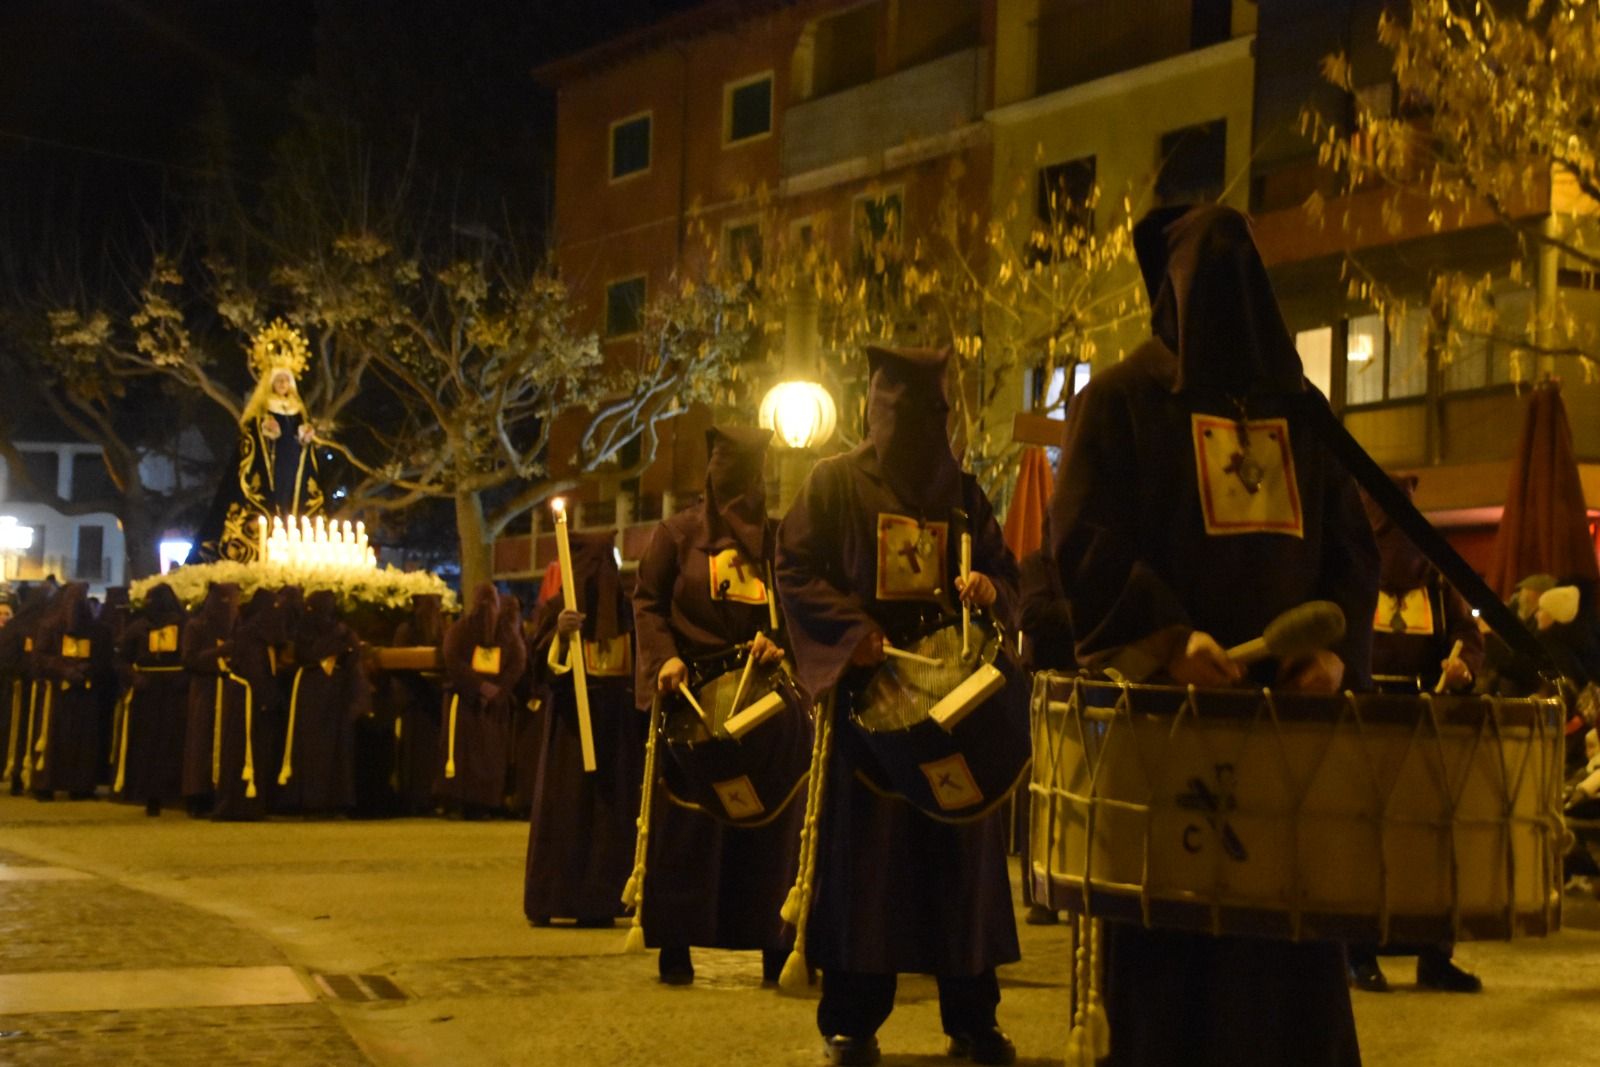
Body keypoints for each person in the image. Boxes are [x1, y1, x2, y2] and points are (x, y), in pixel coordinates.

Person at [1050, 204, 1378, 1066]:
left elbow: (1353, 548)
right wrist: (1167, 636)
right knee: (1172, 983)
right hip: (1167, 743)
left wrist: (1336, 654)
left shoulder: (1302, 414)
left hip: (1286, 752)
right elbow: (1082, 541)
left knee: (1291, 973)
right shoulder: (1118, 401)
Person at [776, 345, 1020, 1067]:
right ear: (877, 411)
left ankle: (973, 1016)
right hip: (870, 711)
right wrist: (850, 634)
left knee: (964, 863)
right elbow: (793, 565)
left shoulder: (963, 494)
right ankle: (852, 1019)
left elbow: (1008, 571)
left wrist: (989, 590)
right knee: (869, 869)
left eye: (933, 414)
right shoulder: (834, 483)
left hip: (954, 707)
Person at [631, 425, 800, 986]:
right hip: (690, 695)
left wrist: (777, 643)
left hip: (761, 700)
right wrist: (665, 660)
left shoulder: (776, 543)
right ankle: (675, 942)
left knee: (768, 826)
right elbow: (649, 604)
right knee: (689, 825)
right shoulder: (676, 535)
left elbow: (796, 613)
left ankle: (775, 942)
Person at [1347, 473, 1485, 994]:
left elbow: (1468, 636)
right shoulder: (1353, 571)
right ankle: (1357, 951)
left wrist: (1463, 665)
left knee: (1431, 841)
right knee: (1365, 840)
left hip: (1426, 719)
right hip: (1364, 717)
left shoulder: (1436, 578)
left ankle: (1434, 952)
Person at [523, 532, 641, 927]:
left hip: (616, 735)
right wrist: (559, 635)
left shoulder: (628, 612)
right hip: (571, 735)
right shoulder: (560, 610)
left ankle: (601, 899)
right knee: (568, 811)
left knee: (609, 818)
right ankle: (557, 895)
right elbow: (539, 665)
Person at [189, 324, 326, 564]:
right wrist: (266, 432)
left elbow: (306, 440)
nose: (283, 384)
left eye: (286, 380)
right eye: (279, 380)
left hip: (293, 462)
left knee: (293, 500)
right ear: (272, 383)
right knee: (270, 499)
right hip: (269, 465)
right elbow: (250, 438)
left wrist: (306, 436)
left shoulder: (297, 410)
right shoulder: (262, 410)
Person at [434, 584, 524, 819]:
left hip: (488, 705)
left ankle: (482, 802)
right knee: (465, 755)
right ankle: (465, 802)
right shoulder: (464, 630)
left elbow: (517, 663)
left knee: (488, 756)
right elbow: (453, 659)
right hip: (467, 702)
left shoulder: (502, 633)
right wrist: (483, 687)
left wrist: (497, 691)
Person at [276, 590, 367, 815]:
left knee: (336, 746)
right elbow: (307, 653)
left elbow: (352, 655)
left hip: (336, 692)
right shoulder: (308, 629)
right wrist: (336, 643)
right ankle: (309, 800)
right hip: (311, 692)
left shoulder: (343, 631)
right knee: (311, 747)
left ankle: (334, 799)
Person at [212, 588, 291, 821]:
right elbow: (255, 671)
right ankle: (239, 805)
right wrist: (266, 698)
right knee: (243, 751)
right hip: (248, 702)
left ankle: (254, 803)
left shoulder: (259, 634)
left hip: (256, 701)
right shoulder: (252, 635)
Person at [30, 582, 113, 800]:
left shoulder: (96, 630)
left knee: (82, 741)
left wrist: (88, 668)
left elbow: (104, 658)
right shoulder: (49, 627)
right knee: (54, 738)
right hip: (57, 693)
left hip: (85, 693)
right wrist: (64, 669)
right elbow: (41, 656)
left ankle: (80, 785)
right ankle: (47, 784)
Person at [116, 583, 190, 816]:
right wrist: (134, 677)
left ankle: (166, 793)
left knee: (170, 743)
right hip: (149, 691)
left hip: (172, 692)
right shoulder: (139, 628)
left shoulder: (183, 626)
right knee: (150, 743)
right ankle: (150, 793)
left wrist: (183, 677)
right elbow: (122, 660)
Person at [181, 582, 240, 816]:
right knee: (201, 742)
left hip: (229, 690)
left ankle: (223, 792)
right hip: (205, 690)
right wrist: (219, 653)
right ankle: (198, 793)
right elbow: (189, 659)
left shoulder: (237, 627)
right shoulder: (196, 626)